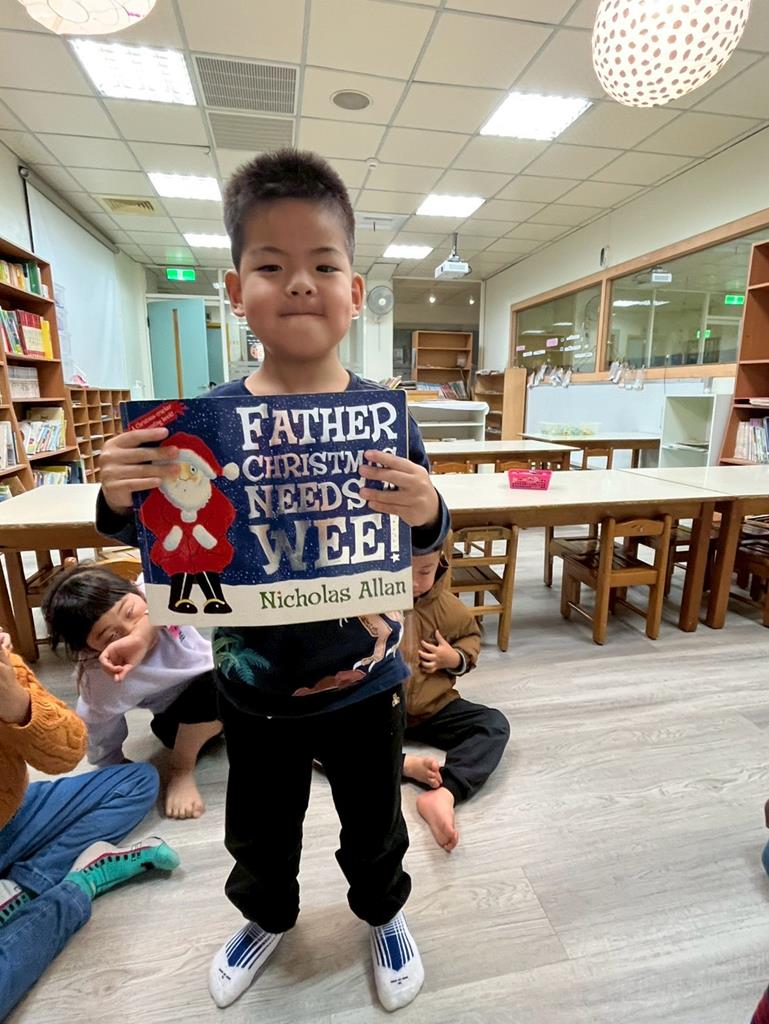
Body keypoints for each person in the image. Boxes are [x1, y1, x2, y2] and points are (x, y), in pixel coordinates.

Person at [94, 149, 449, 1013]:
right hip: (250, 688)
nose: (298, 283)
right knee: (257, 830)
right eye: (270, 265)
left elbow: (424, 542)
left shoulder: (383, 418)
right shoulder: (198, 424)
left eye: (323, 266)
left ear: (354, 292)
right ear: (235, 289)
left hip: (369, 685)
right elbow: (151, 540)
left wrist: (431, 509)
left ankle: (382, 913)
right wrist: (116, 493)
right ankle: (265, 916)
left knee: (375, 824)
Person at [0, 634, 179, 1019]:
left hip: (12, 813)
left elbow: (69, 752)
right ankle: (76, 884)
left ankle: (21, 886)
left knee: (137, 782)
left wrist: (17, 705)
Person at [42, 563, 222, 820]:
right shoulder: (103, 677)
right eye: (111, 636)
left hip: (228, 690)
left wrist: (146, 629)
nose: (129, 630)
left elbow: (182, 572)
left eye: (129, 612)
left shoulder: (154, 591)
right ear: (89, 649)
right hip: (180, 722)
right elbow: (99, 724)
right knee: (215, 685)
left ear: (134, 590)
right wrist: (113, 764)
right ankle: (181, 769)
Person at [402, 543, 510, 852]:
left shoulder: (448, 607)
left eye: (424, 572)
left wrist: (454, 658)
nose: (414, 582)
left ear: (439, 565)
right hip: (383, 713)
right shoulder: (372, 607)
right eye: (405, 571)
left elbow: (470, 636)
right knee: (326, 740)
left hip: (434, 707)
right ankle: (403, 765)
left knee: (494, 724)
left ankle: (445, 793)